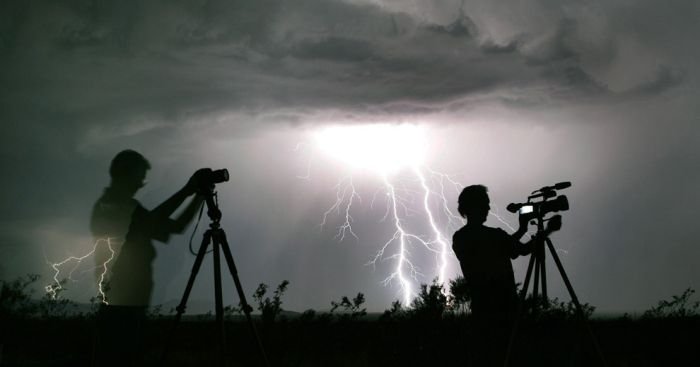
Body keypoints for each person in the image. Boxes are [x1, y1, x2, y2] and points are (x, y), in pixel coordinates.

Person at [90, 149, 207, 366]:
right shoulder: (111, 207)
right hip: (119, 305)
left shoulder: (131, 207)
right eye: (139, 178)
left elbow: (176, 227)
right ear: (124, 174)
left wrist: (199, 196)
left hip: (132, 303)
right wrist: (187, 191)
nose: (140, 184)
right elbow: (150, 223)